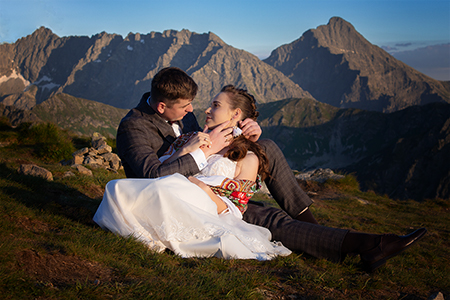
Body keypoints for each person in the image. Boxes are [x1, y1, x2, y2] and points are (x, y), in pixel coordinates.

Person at [113, 67, 426, 272]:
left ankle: (333, 234)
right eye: (185, 107)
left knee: (268, 150)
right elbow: (150, 176)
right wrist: (194, 155)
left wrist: (242, 132)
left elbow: (207, 143)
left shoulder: (183, 111)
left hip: (202, 184)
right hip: (175, 195)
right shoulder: (134, 128)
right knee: (269, 218)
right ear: (161, 108)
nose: (194, 111)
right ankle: (368, 244)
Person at [93, 86, 293, 260]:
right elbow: (161, 169)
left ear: (235, 114)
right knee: (115, 187)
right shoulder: (192, 138)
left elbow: (236, 208)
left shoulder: (247, 157)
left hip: (203, 201)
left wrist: (204, 190)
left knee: (164, 190)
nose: (206, 109)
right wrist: (190, 150)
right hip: (177, 187)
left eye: (215, 105)